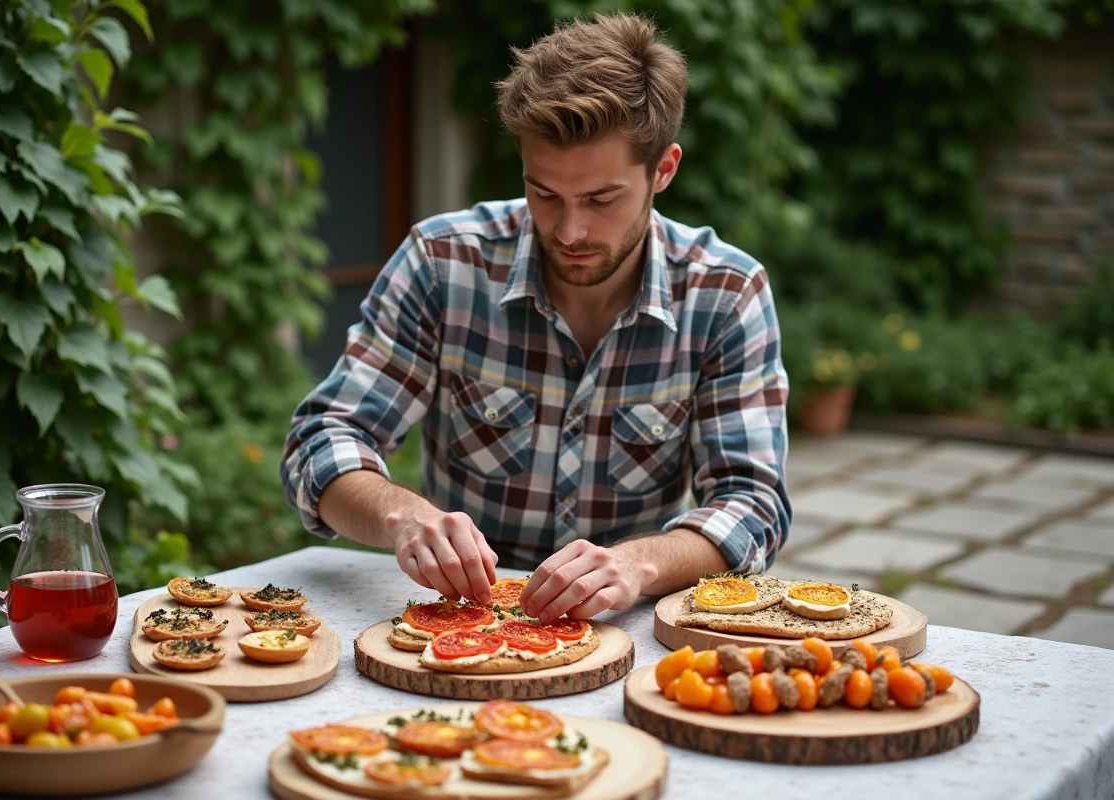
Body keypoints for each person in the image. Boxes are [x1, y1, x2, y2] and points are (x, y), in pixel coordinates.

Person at [282, 12, 791, 623]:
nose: (570, 231)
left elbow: (753, 503)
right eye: (544, 193)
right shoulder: (444, 263)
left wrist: (637, 565)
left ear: (663, 170)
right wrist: (404, 518)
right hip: (456, 626)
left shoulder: (725, 292)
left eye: (602, 199)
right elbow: (321, 441)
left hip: (622, 630)